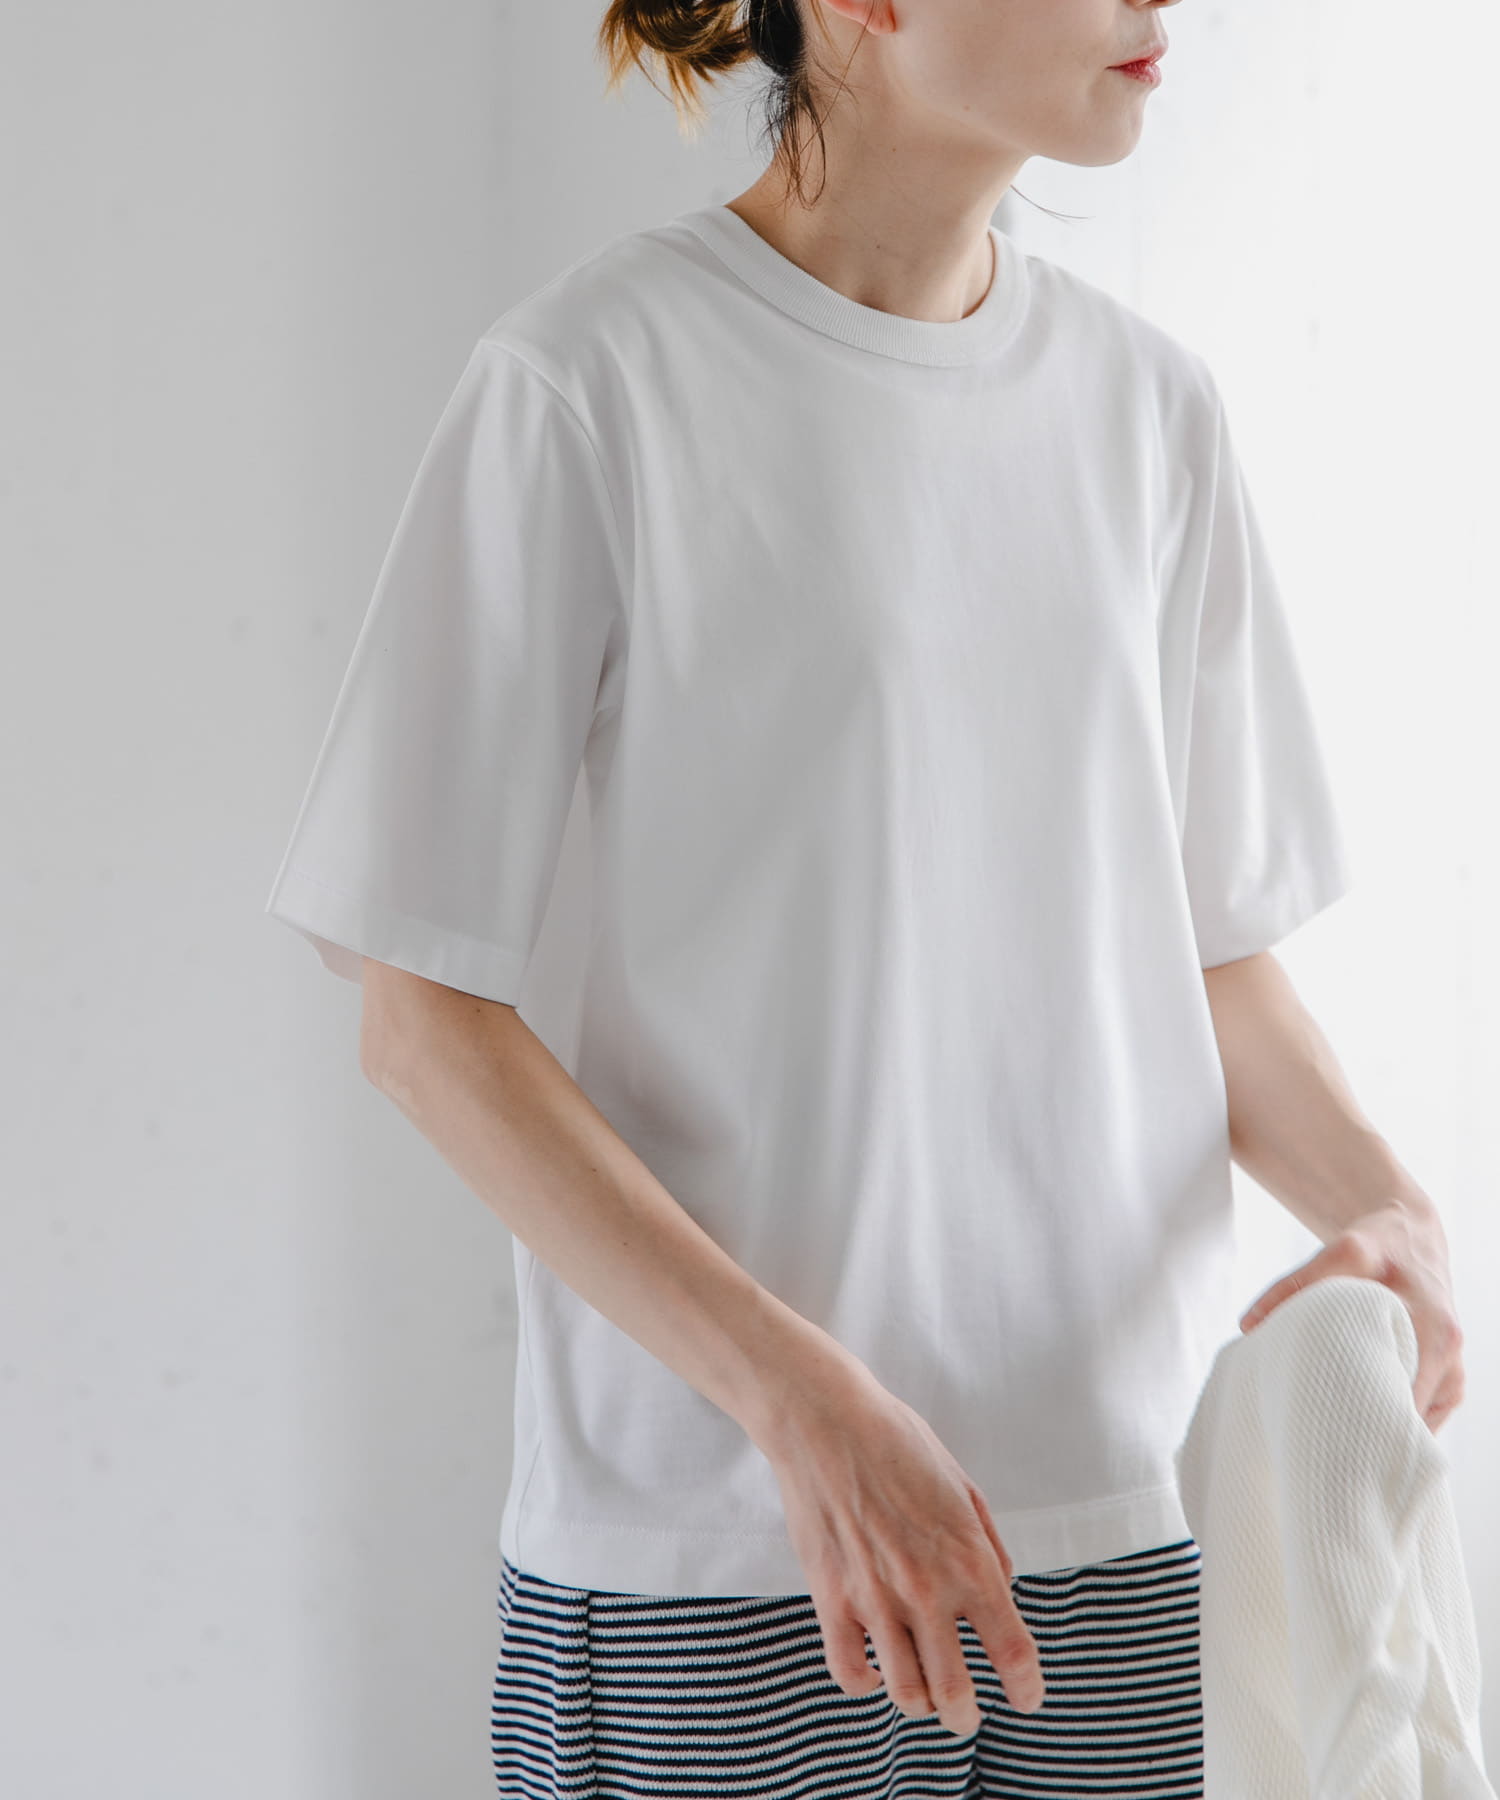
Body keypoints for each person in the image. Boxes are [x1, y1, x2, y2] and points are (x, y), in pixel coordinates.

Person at [264, 0, 1467, 1794]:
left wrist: (1395, 1213)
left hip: (1120, 1547)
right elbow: (422, 1022)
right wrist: (800, 1405)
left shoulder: (1152, 412)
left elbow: (1211, 961)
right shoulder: (589, 385)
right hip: (719, 1566)